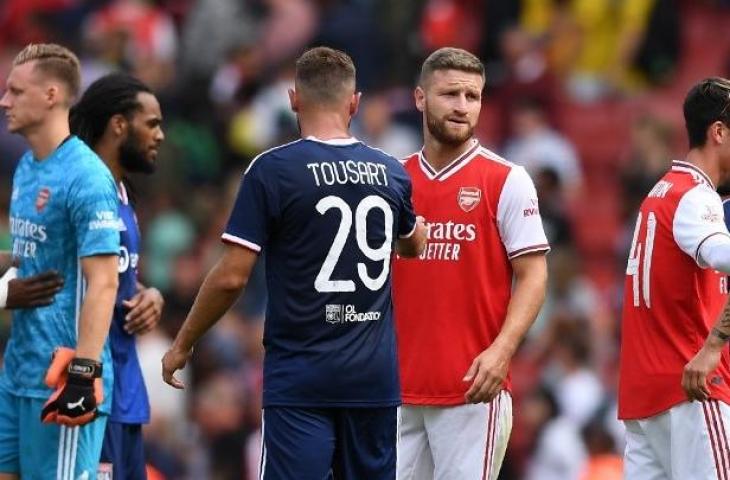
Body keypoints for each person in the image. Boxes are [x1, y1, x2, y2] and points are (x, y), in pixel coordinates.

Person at [161, 46, 426, 480]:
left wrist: (183, 343)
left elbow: (230, 277)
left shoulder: (273, 170)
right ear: (354, 102)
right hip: (373, 378)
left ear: (293, 99)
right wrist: (420, 233)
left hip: (302, 376)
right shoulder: (391, 172)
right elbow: (412, 244)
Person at [392, 47, 550, 480]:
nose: (463, 107)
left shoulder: (506, 179)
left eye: (472, 96)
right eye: (450, 94)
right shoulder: (393, 179)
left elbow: (534, 275)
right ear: (420, 98)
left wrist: (502, 351)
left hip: (471, 392)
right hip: (395, 390)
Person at [0, 43, 120, 479]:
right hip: (16, 375)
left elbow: (104, 282)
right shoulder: (26, 167)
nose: (4, 100)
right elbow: (31, 255)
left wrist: (84, 374)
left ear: (51, 95)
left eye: (15, 91)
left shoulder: (86, 177)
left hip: (62, 378)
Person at [619, 77, 730, 479]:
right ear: (718, 131)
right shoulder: (697, 197)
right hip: (694, 391)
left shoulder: (660, 192)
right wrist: (714, 345)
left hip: (646, 396)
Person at [70, 72, 165, 480]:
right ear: (119, 125)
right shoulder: (80, 189)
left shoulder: (123, 197)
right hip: (87, 389)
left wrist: (150, 295)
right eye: (153, 123)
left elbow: (115, 274)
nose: (160, 135)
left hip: (125, 391)